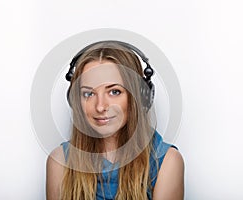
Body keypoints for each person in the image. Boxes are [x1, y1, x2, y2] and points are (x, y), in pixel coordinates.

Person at [46, 41, 184, 200]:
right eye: (88, 94)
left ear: (137, 97)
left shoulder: (167, 162)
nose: (100, 106)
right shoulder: (60, 162)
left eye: (114, 91)